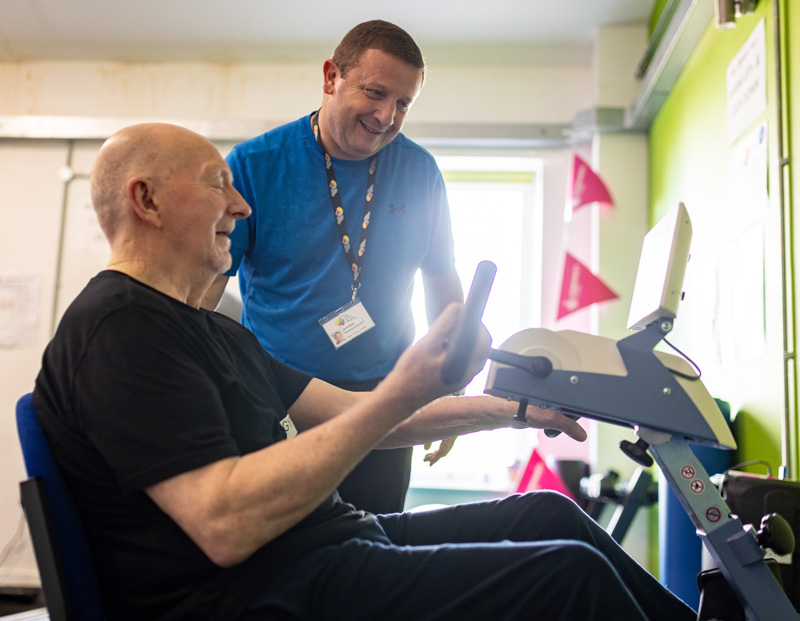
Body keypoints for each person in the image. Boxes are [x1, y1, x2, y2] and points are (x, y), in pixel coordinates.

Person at [33, 123, 696, 621]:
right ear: (145, 199)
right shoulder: (118, 330)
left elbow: (355, 415)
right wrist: (408, 382)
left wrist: (514, 410)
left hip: (325, 546)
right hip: (253, 595)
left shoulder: (211, 331)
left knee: (552, 517)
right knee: (568, 577)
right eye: (216, 182)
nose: (239, 205)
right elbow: (224, 521)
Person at [201, 20, 463, 514]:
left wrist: (450, 387)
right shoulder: (255, 165)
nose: (387, 116)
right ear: (331, 77)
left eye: (404, 103)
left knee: (378, 551)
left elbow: (442, 282)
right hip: (279, 398)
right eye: (376, 92)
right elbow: (209, 283)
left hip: (384, 401)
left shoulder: (421, 172)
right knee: (284, 556)